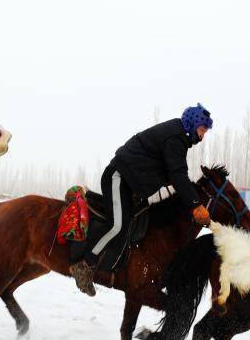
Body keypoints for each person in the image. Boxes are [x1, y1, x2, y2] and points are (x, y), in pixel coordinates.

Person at [69, 104, 213, 296]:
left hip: (130, 185)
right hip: (118, 177)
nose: (202, 136)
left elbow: (172, 172)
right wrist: (195, 205)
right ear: (192, 123)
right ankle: (85, 265)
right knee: (118, 226)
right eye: (202, 130)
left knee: (131, 223)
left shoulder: (175, 135)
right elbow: (178, 174)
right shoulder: (175, 137)